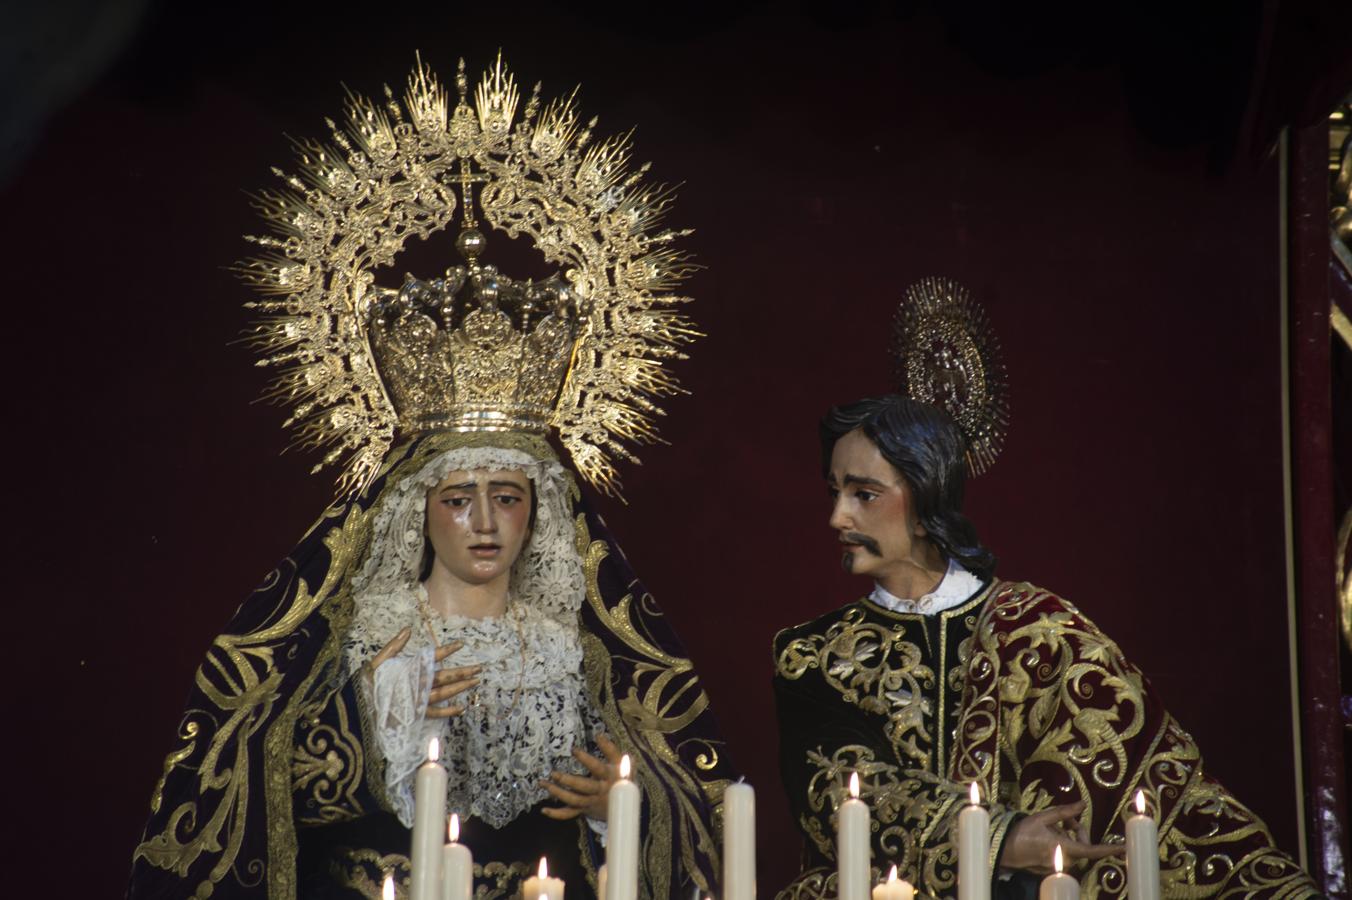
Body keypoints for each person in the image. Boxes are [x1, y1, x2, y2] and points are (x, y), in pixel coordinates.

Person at [128, 55, 734, 900]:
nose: (485, 521)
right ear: (418, 510)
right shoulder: (359, 640)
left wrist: (615, 805)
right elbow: (242, 787)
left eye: (509, 497)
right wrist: (378, 710)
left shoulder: (582, 657)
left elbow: (694, 801)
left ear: (542, 514)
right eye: (459, 498)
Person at [772, 395, 1322, 899]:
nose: (837, 518)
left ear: (925, 496)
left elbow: (1156, 784)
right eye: (835, 492)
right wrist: (1000, 838)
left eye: (863, 495)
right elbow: (838, 790)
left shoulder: (1042, 628)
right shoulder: (813, 654)